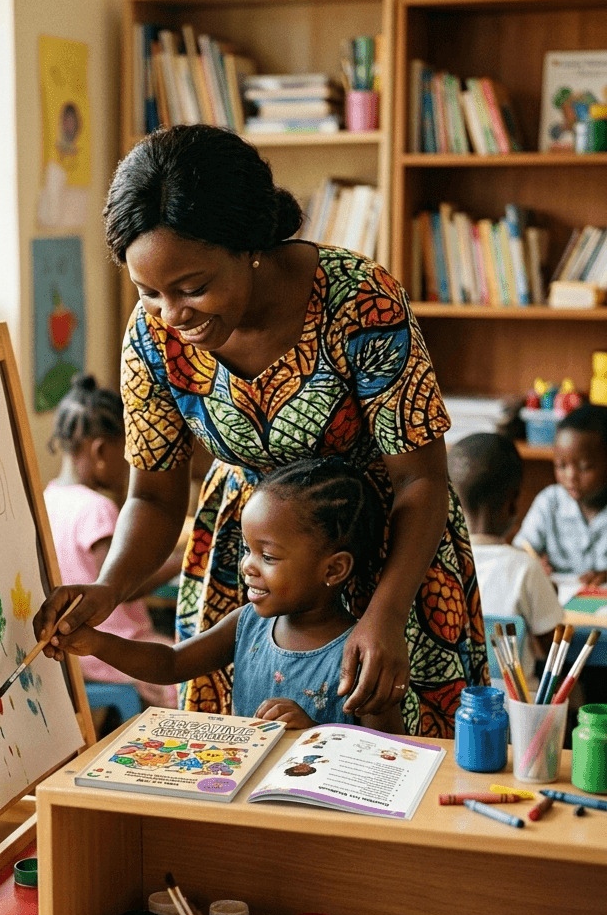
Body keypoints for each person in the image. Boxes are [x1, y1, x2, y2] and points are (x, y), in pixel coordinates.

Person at [35, 124, 487, 737]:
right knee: (241, 763)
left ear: (251, 244)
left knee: (393, 762)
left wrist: (385, 613)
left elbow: (421, 480)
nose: (173, 315)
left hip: (392, 563)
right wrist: (109, 588)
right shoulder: (151, 335)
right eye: (150, 293)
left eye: (193, 288)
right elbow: (154, 498)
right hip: (250, 568)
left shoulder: (359, 299)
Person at [55, 458, 404, 732]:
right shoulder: (247, 625)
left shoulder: (361, 657)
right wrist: (95, 643)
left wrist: (312, 734)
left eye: (268, 557)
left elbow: (389, 757)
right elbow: (170, 663)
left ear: (333, 569)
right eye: (247, 550)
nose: (247, 566)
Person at [43, 374, 179, 710]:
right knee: (190, 666)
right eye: (127, 452)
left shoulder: (48, 498)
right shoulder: (96, 509)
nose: (130, 464)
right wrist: (188, 557)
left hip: (74, 654)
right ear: (102, 450)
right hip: (111, 648)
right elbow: (125, 586)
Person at [448, 432, 563, 683]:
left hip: (457, 699)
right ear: (512, 503)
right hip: (517, 702)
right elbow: (554, 648)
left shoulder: (438, 564)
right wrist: (549, 595)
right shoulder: (525, 568)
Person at [514, 404, 607, 587]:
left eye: (584, 467)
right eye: (561, 466)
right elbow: (521, 549)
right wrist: (531, 562)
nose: (570, 476)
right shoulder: (549, 502)